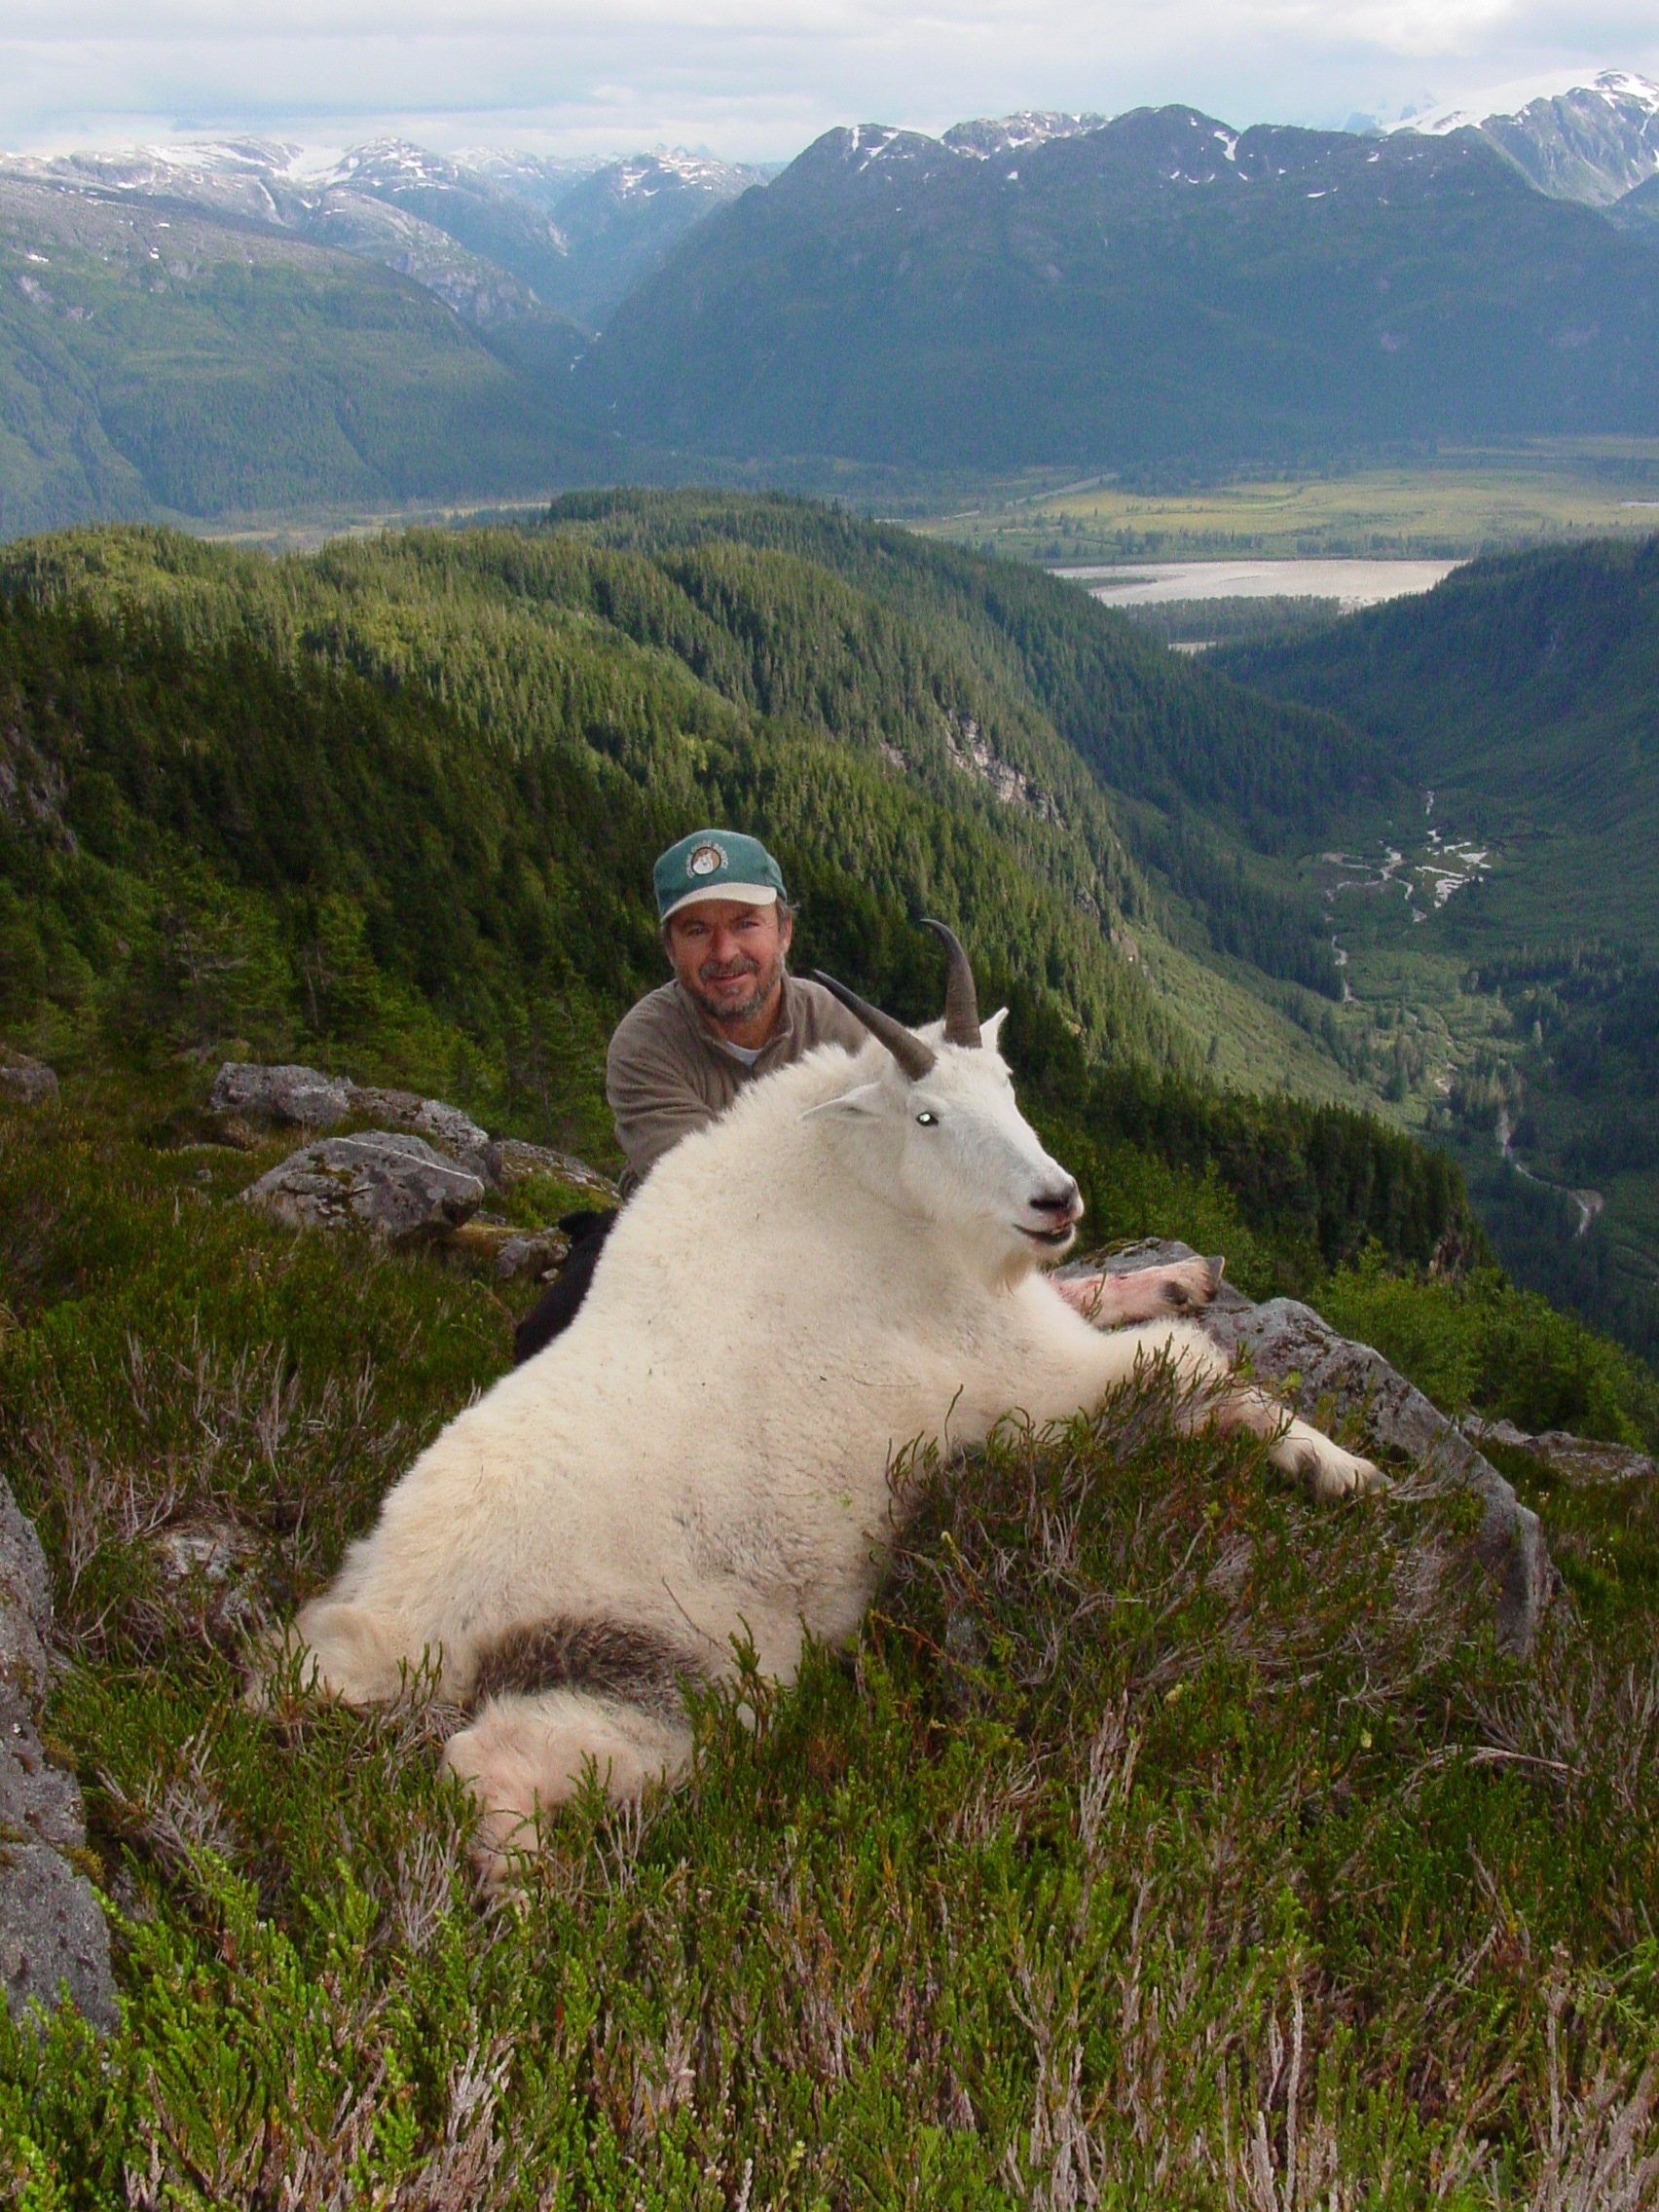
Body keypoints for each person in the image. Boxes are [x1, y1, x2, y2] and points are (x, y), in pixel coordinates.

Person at [511, 830, 867, 1362]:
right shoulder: (644, 1045)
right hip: (680, 1243)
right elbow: (710, 1194)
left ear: (785, 931)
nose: (724, 954)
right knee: (549, 1342)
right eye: (697, 930)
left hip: (836, 1242)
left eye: (746, 924)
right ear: (669, 947)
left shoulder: (844, 1029)